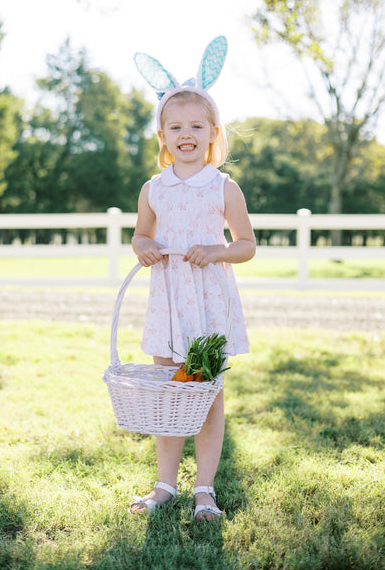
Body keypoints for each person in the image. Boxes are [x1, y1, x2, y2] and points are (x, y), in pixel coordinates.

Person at [130, 37, 256, 520]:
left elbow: (246, 245)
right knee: (168, 391)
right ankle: (164, 483)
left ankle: (204, 488)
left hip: (207, 302)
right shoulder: (152, 188)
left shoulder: (224, 187)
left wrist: (218, 250)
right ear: (162, 135)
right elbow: (142, 235)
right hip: (166, 299)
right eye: (175, 126)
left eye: (196, 126)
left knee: (205, 391)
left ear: (212, 133)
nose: (186, 133)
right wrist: (143, 247)